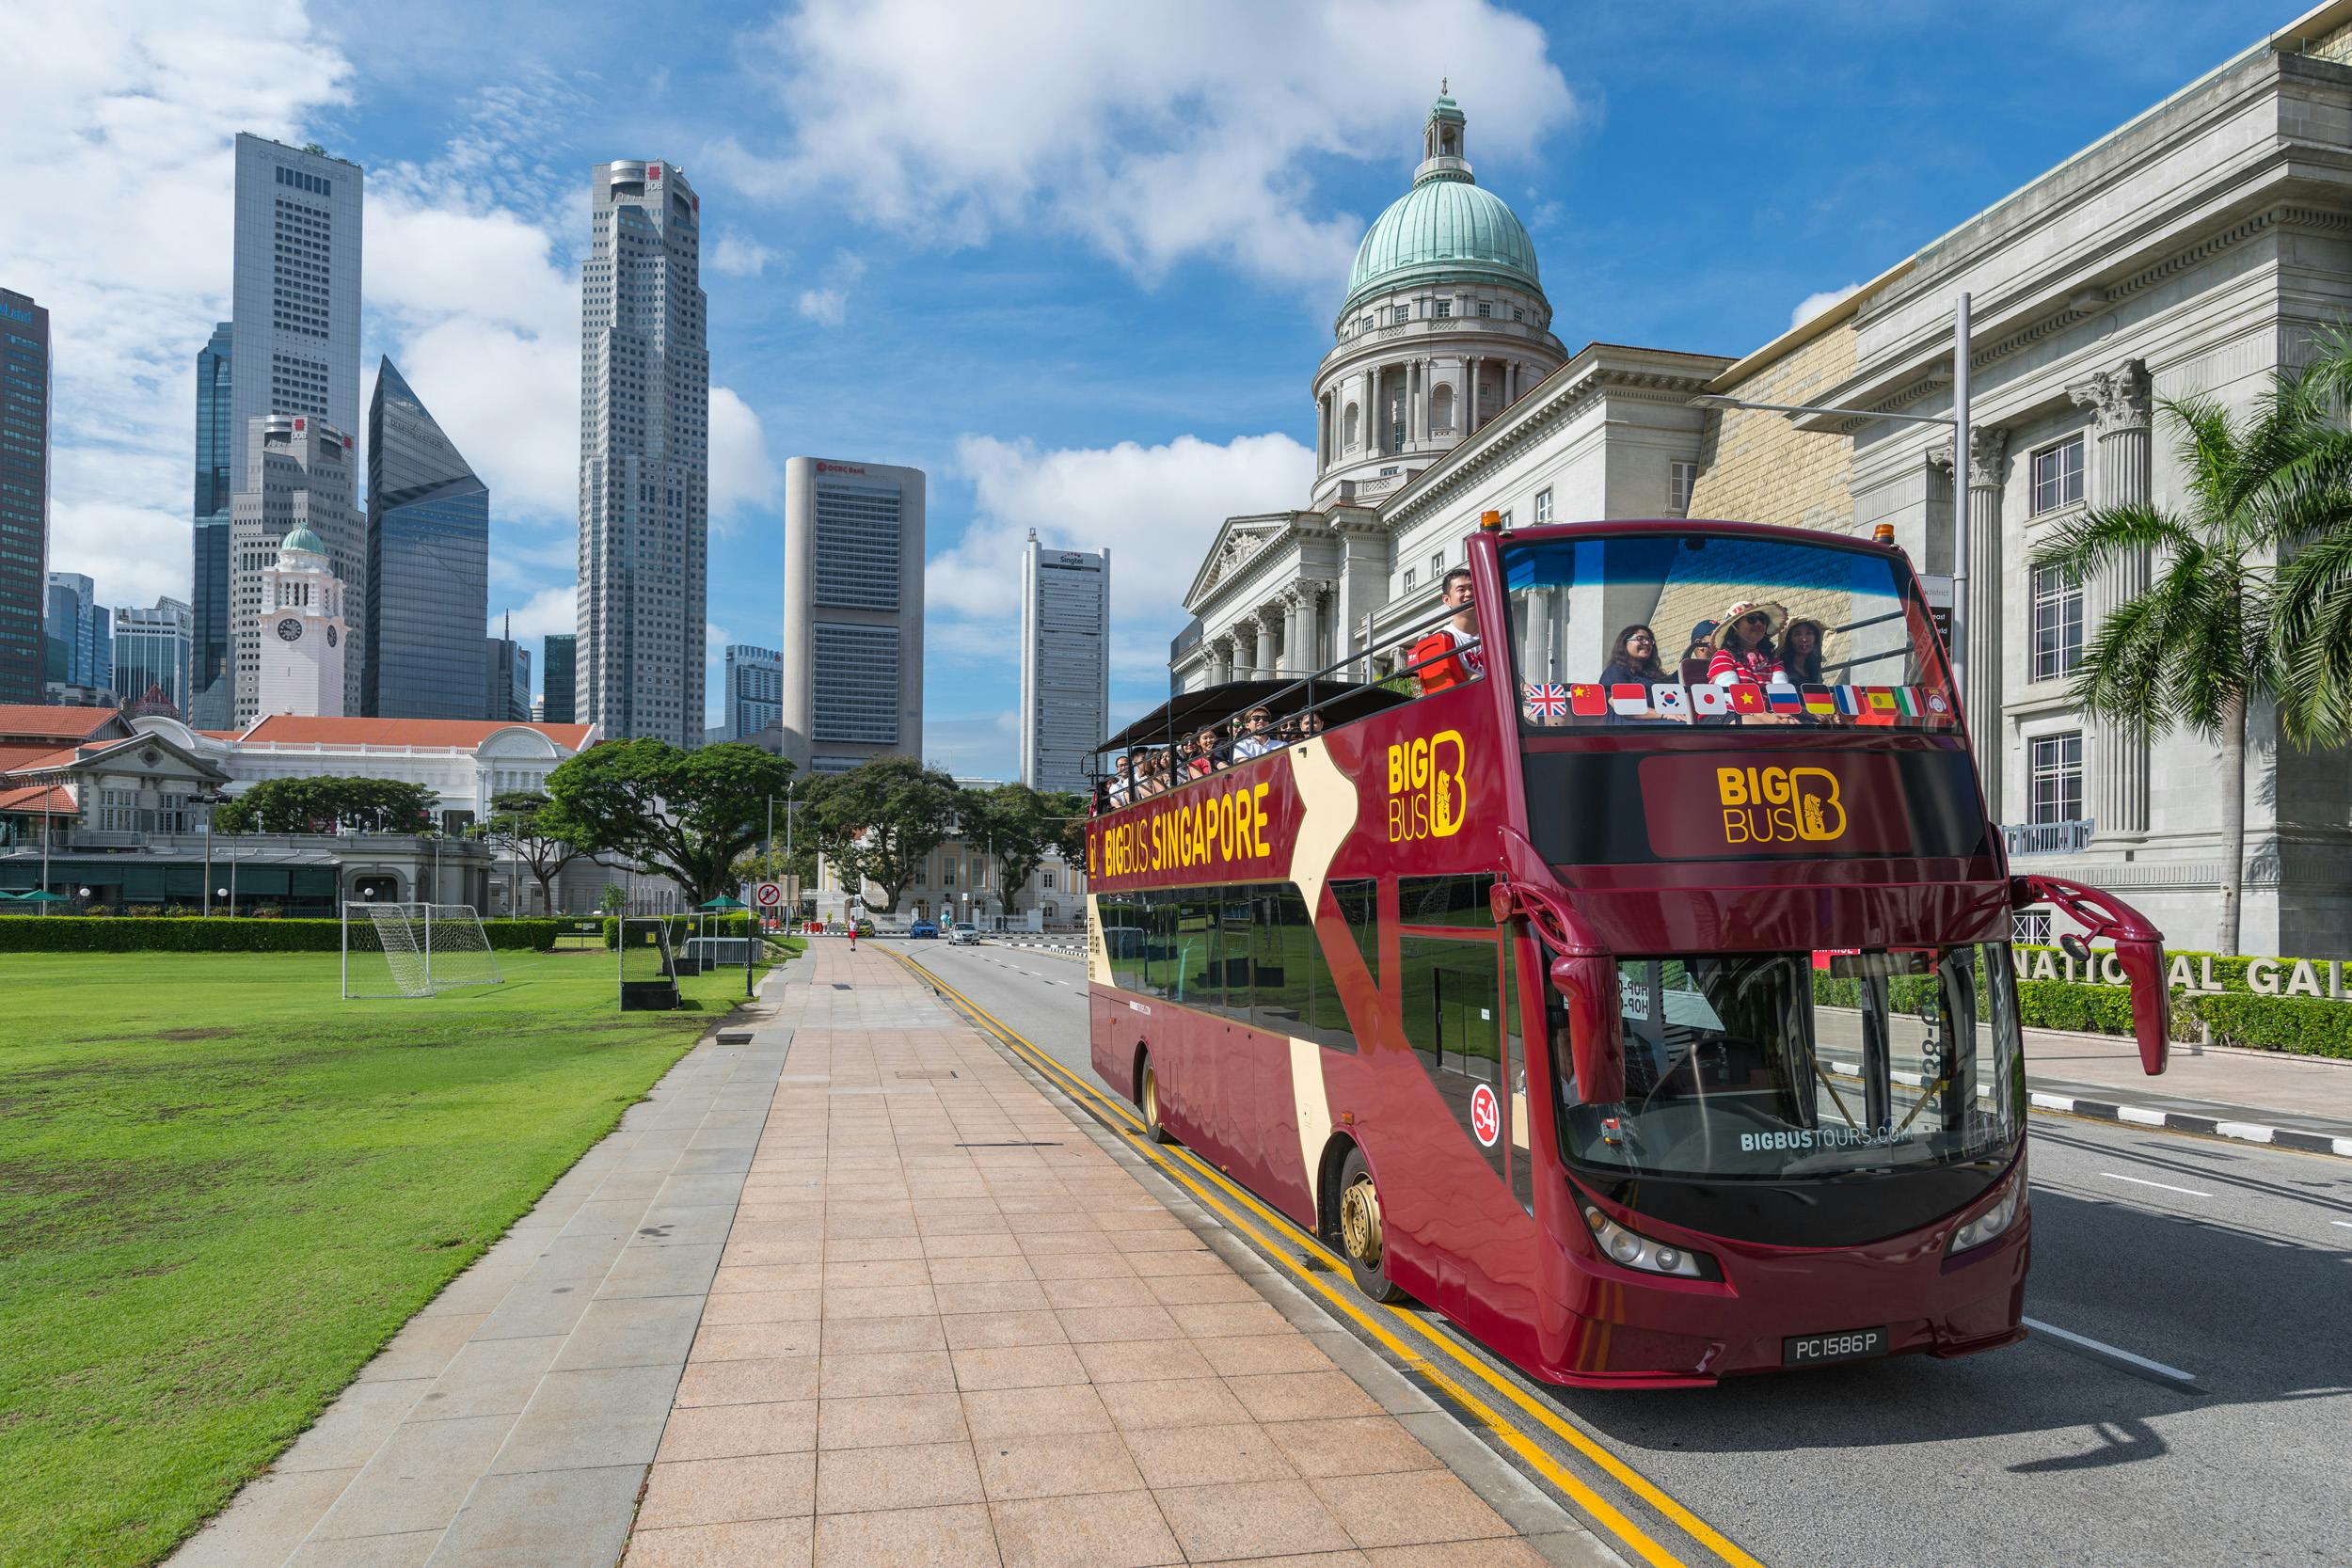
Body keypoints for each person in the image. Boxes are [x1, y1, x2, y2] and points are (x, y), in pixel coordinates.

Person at [1409, 566, 1484, 694]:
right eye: (1461, 590)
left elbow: (1514, 675)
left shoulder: (1496, 634)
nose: (1469, 593)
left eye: (1472, 588)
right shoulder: (1438, 641)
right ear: (1447, 600)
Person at [1707, 600, 1788, 686]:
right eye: (1751, 619)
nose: (1759, 623)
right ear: (1734, 628)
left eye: (1762, 619)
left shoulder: (1773, 660)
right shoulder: (1723, 657)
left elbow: (1782, 694)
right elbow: (1731, 694)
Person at [1599, 625, 1669, 687]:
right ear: (1624, 643)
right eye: (1640, 639)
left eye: (1650, 640)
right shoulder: (1615, 672)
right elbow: (1617, 700)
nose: (1647, 643)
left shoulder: (1657, 676)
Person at [1781, 618, 1827, 687]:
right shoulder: (1780, 666)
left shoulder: (1815, 666)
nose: (1804, 639)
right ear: (1789, 639)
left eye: (1809, 633)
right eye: (1798, 634)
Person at [1678, 618, 1720, 686]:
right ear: (1699, 643)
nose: (1721, 638)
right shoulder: (1685, 675)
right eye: (1715, 635)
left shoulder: (1730, 665)